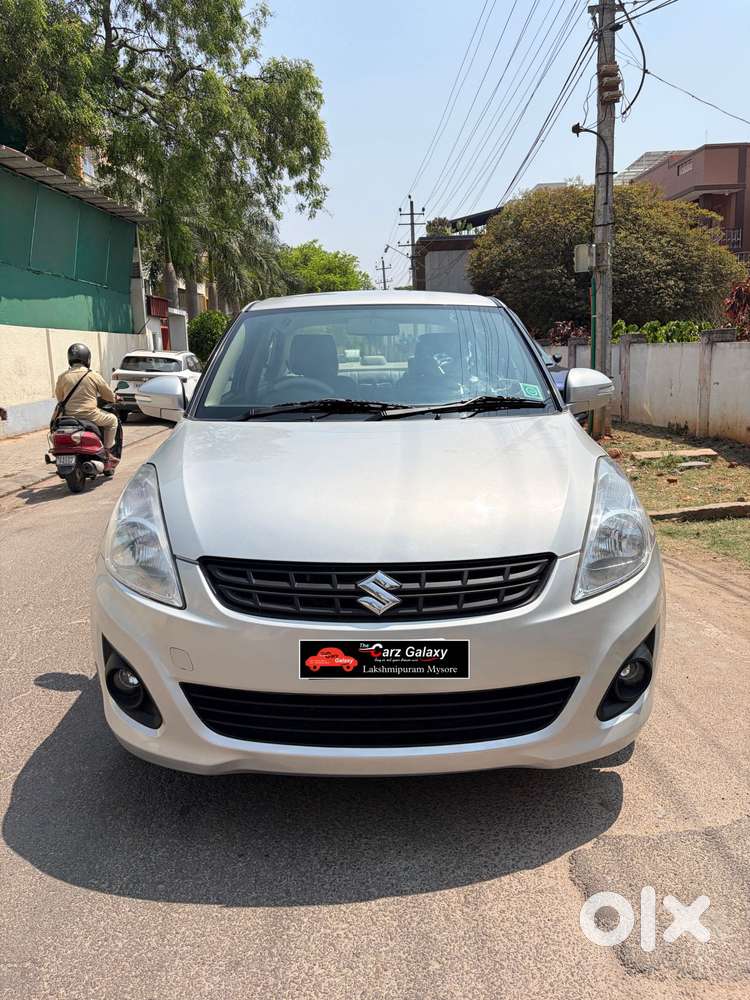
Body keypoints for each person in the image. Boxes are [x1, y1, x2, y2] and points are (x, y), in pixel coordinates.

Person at [54, 343, 120, 464]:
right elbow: (108, 396)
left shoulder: (62, 377)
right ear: (87, 358)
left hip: (68, 417)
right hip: (90, 415)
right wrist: (115, 398)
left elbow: (60, 398)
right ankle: (107, 451)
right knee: (112, 420)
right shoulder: (93, 375)